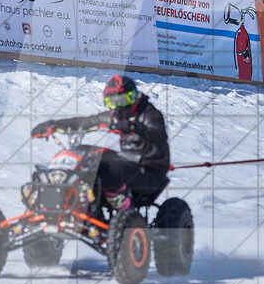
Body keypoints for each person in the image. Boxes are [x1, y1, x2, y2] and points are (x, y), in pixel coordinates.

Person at [31, 74, 169, 212]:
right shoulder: (115, 117)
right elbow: (85, 122)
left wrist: (134, 128)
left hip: (150, 172)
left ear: (133, 97)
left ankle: (128, 213)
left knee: (108, 171)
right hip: (127, 162)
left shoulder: (150, 114)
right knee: (83, 155)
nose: (118, 107)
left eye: (122, 100)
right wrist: (54, 125)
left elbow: (157, 138)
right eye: (112, 103)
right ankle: (77, 205)